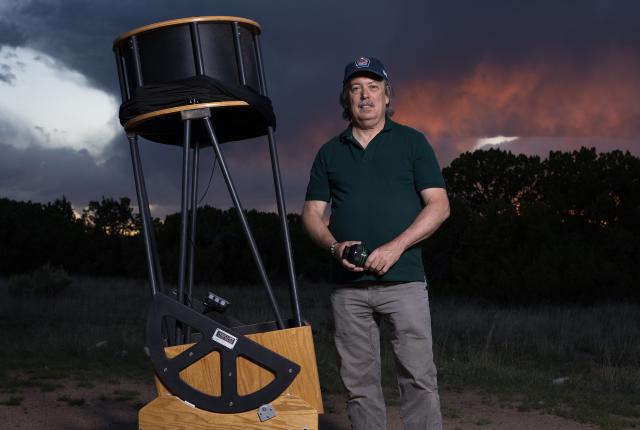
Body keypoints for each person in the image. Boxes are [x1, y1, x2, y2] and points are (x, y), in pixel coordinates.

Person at [302, 56, 450, 430]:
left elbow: (440, 205)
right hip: (348, 289)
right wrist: (335, 247)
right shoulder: (330, 152)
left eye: (373, 87)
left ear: (387, 96)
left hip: (404, 282)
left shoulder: (412, 142)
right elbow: (311, 215)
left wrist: (395, 247)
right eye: (355, 88)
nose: (364, 95)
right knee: (359, 386)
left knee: (418, 379)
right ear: (346, 99)